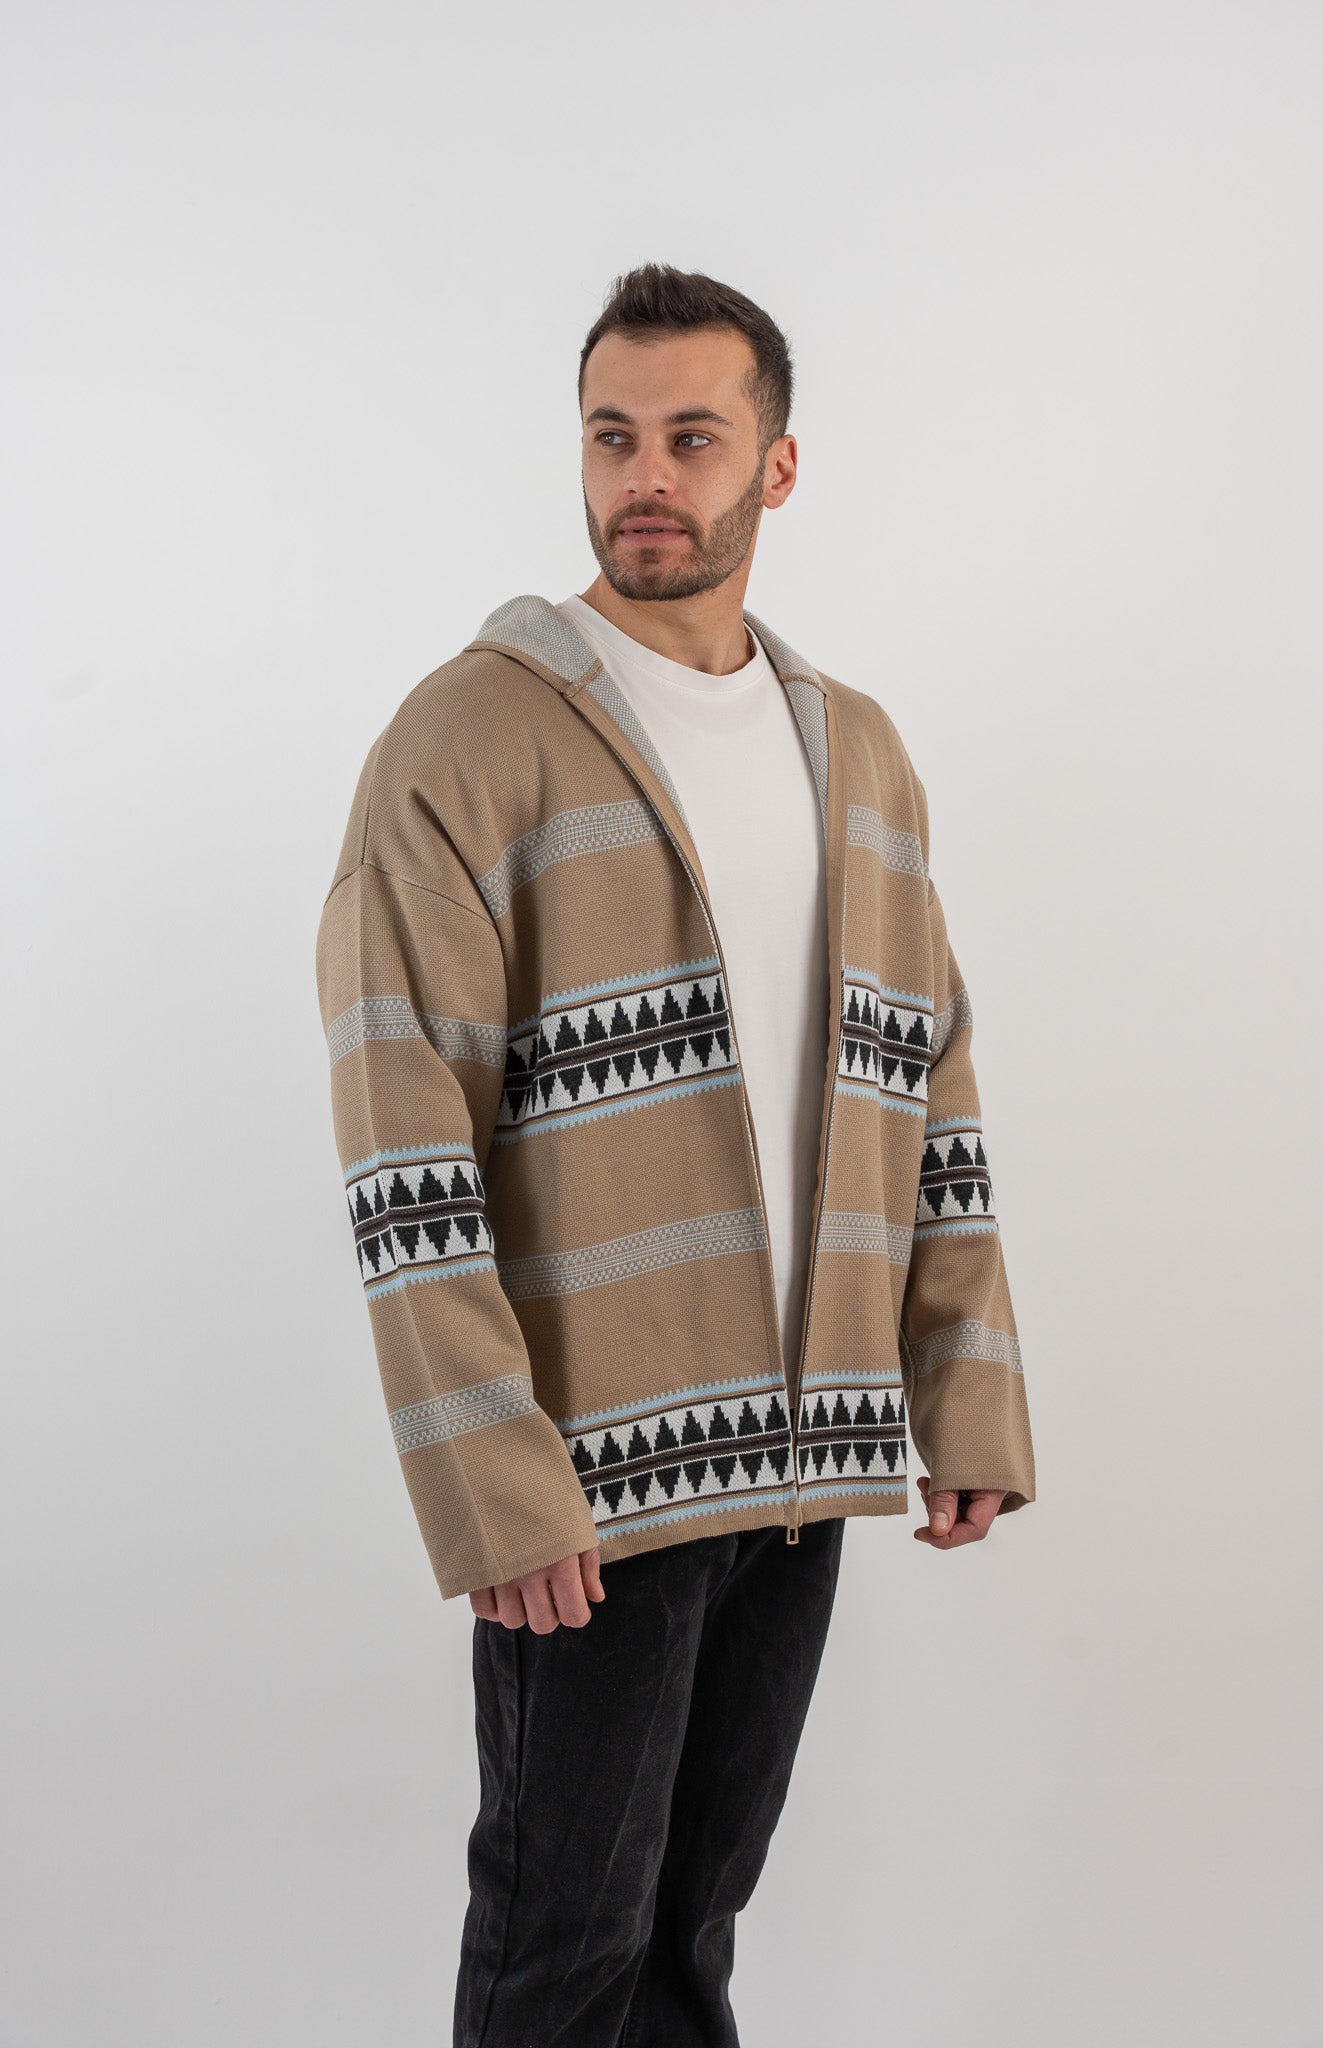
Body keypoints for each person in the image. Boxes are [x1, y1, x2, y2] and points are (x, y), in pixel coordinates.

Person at [314, 262, 1037, 2047]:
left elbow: (928, 1083)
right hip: (587, 1479)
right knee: (559, 1952)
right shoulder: (464, 739)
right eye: (612, 436)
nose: (645, 476)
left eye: (691, 439)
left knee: (690, 1938)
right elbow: (402, 1139)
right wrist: (491, 1479)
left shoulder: (855, 753)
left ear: (775, 466)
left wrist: (960, 1388)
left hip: (801, 1460)